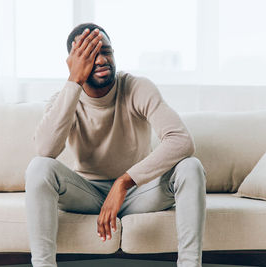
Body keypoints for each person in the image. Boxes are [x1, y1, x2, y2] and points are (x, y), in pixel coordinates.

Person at [24, 23, 207, 267]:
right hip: (87, 194)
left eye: (106, 51)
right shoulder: (64, 99)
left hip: (138, 192)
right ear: (73, 62)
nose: (101, 60)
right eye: (90, 54)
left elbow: (181, 140)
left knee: (191, 167)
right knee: (39, 168)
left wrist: (123, 182)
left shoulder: (136, 87)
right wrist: (73, 82)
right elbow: (45, 151)